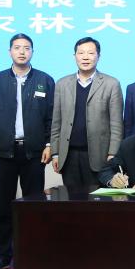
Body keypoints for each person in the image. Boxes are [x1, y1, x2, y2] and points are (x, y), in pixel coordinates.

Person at [0, 33, 54, 269]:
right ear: (9, 51)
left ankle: (34, 255)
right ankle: (2, 255)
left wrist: (49, 144)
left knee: (34, 207)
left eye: (27, 48)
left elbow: (52, 116)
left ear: (33, 51)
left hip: (34, 153)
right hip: (3, 153)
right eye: (17, 47)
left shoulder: (44, 80)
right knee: (4, 207)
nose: (22, 52)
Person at [50, 37, 123, 192]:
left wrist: (113, 154)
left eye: (90, 53)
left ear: (98, 56)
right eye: (81, 53)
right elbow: (56, 122)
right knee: (71, 200)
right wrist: (55, 153)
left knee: (98, 201)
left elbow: (116, 124)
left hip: (99, 155)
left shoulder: (111, 84)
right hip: (68, 155)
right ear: (74, 56)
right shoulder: (62, 84)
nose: (85, 57)